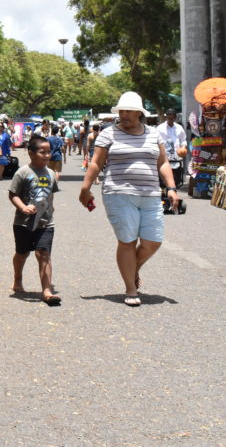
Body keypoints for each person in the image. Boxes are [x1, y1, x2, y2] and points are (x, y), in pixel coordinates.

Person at [78, 92, 178, 307]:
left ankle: (133, 268)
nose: (124, 115)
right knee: (128, 240)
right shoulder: (108, 134)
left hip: (150, 194)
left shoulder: (153, 135)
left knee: (153, 241)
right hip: (119, 193)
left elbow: (163, 163)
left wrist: (171, 187)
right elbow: (96, 163)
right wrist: (85, 187)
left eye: (128, 111)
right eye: (121, 111)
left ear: (139, 113)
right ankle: (130, 288)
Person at [9, 135, 61, 305]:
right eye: (42, 152)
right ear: (31, 153)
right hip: (23, 222)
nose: (47, 155)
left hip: (46, 223)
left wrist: (50, 211)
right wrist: (23, 207)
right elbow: (13, 194)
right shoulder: (23, 172)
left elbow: (50, 194)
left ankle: (47, 290)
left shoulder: (52, 173)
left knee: (43, 253)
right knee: (22, 253)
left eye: (48, 152)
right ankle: (17, 278)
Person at [156, 108, 188, 192]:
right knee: (163, 181)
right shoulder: (160, 128)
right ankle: (163, 195)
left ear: (175, 117)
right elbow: (156, 141)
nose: (171, 118)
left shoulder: (179, 128)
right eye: (169, 116)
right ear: (166, 117)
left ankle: (174, 194)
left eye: (172, 117)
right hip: (164, 158)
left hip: (176, 158)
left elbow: (183, 140)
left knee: (176, 180)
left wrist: (183, 147)